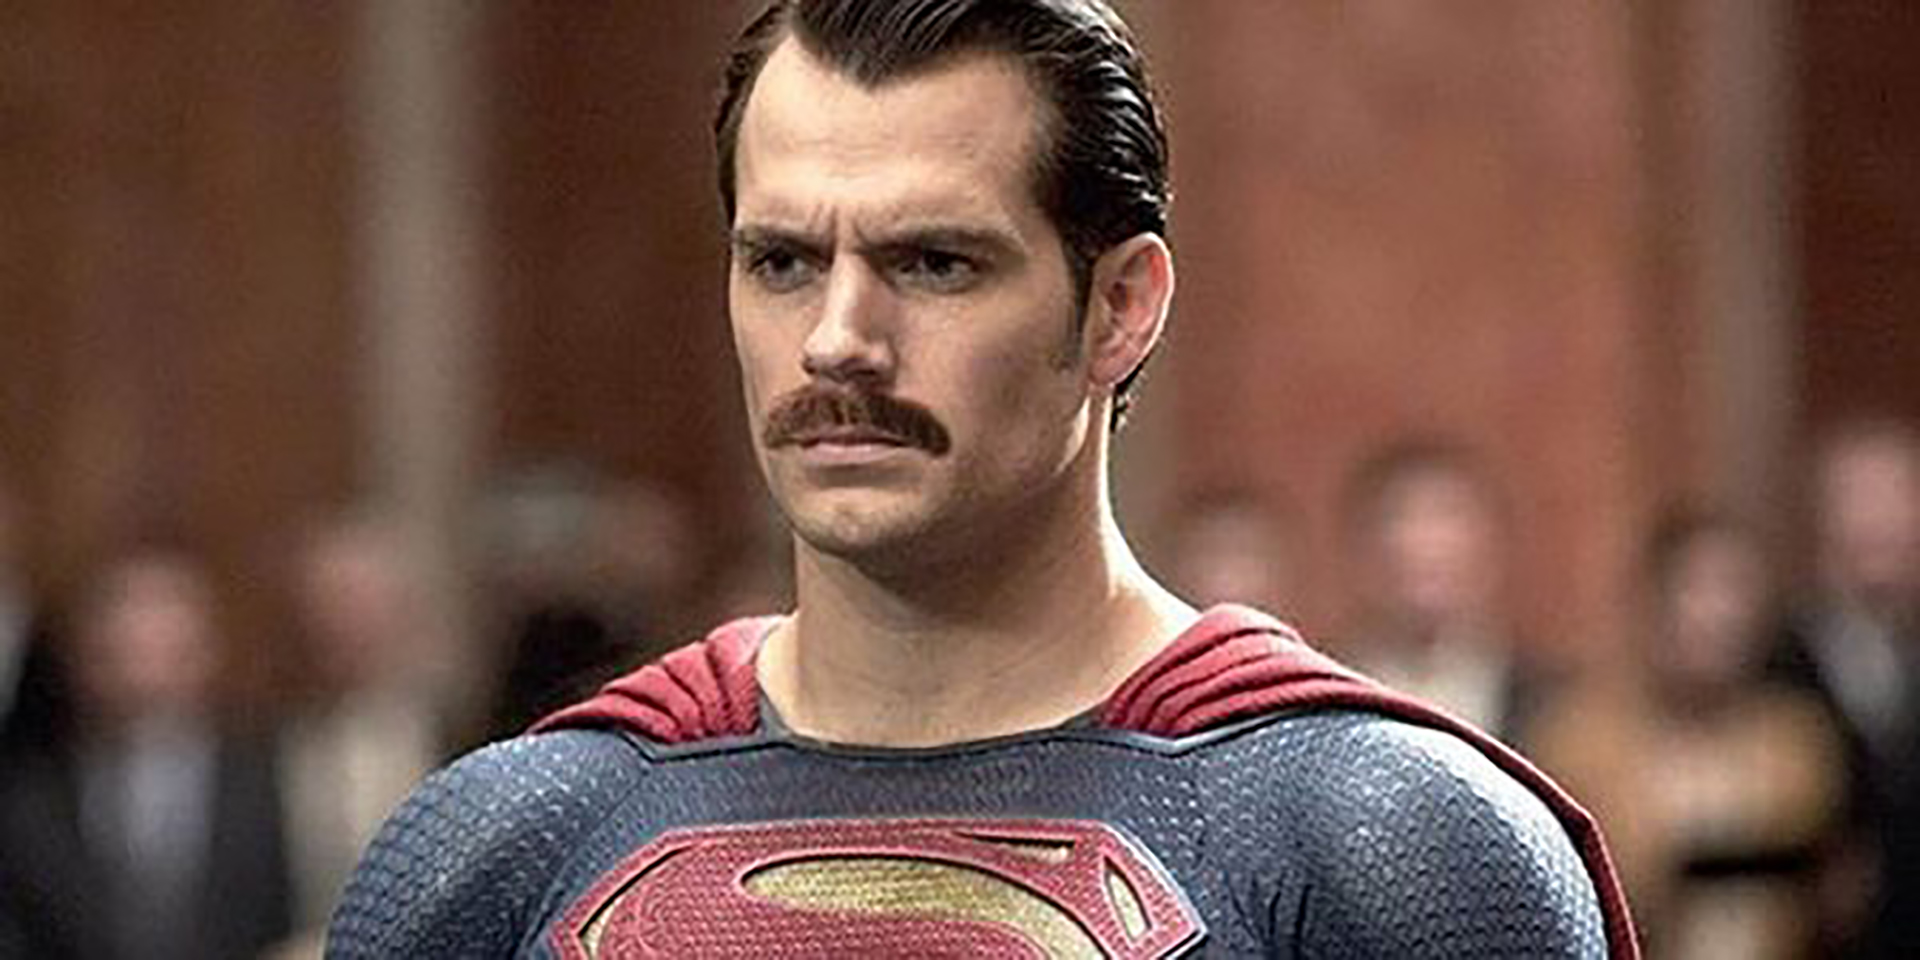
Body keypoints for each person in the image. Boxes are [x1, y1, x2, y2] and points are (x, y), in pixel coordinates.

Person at [329, 2, 1637, 956]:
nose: (838, 339)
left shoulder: (1388, 852)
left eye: (934, 263)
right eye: (783, 261)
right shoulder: (502, 853)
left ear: (1120, 308)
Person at [0, 548, 291, 960]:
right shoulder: (29, 800)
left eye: (166, 651)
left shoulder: (275, 781)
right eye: (122, 652)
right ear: (84, 661)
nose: (143, 678)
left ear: (205, 655)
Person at [1339, 440, 1554, 747]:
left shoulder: (1555, 712)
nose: (1426, 546)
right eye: (1401, 520)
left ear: (1492, 550)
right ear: (1362, 554)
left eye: (1448, 518)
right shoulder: (1320, 698)